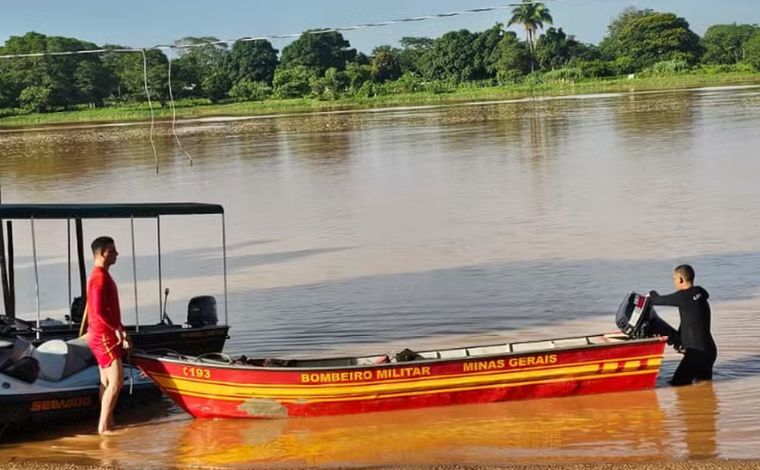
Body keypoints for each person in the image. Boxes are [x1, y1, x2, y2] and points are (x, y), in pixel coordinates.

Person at [86, 236, 130, 434]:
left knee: (105, 382)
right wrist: (117, 329)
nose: (116, 254)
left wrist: (119, 326)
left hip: (100, 334)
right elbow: (98, 311)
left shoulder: (100, 275)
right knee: (117, 381)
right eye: (112, 251)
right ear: (102, 253)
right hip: (103, 336)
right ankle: (104, 428)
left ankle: (108, 423)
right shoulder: (99, 278)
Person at [649, 264, 717, 386]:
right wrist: (678, 339)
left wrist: (651, 293)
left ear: (680, 279)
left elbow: (656, 300)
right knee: (705, 388)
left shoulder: (682, 297)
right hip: (710, 351)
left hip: (696, 354)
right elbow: (689, 321)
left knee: (676, 385)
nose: (674, 281)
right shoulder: (700, 292)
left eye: (674, 278)